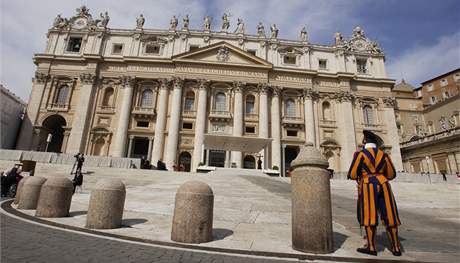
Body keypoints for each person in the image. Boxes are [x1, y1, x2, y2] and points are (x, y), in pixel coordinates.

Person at [348, 130, 402, 256]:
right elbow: (391, 174)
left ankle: (371, 247)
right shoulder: (384, 155)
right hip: (384, 184)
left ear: (365, 141)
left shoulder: (360, 154)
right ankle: (396, 247)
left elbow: (352, 174)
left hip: (368, 185)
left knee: (369, 215)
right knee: (390, 214)